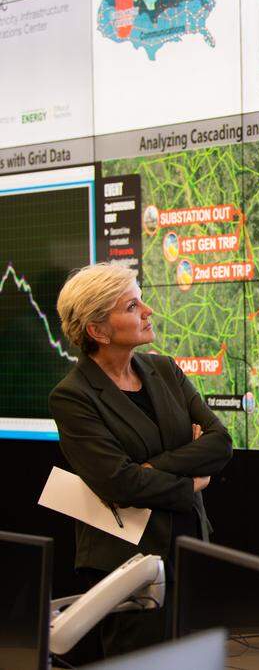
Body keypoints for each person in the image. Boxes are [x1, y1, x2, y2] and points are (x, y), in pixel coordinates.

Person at [49, 262, 232, 658]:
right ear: (97, 330)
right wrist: (189, 480)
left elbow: (220, 443)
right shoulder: (73, 396)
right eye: (132, 306)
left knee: (196, 659)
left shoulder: (164, 369)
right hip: (126, 563)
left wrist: (150, 468)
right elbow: (119, 484)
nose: (147, 310)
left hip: (190, 543)